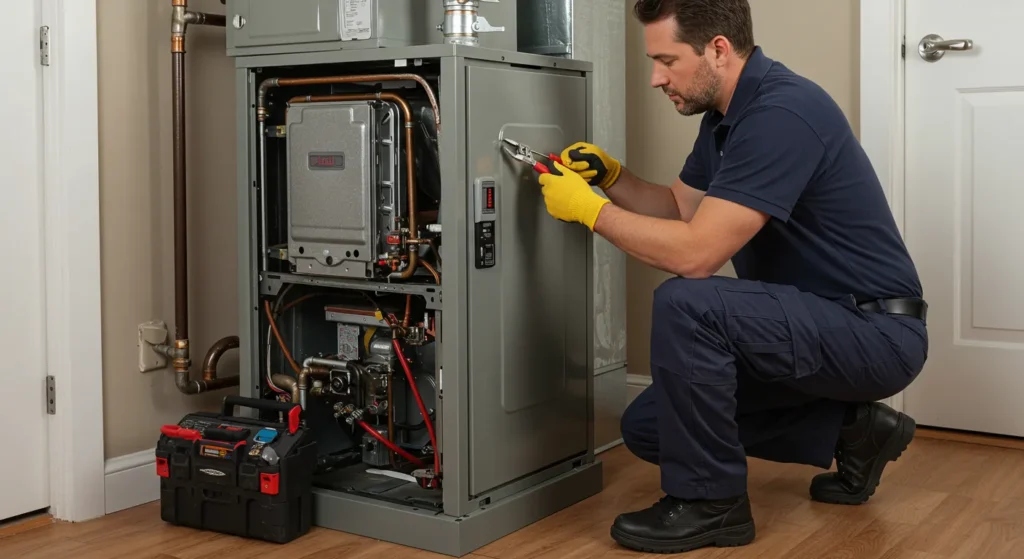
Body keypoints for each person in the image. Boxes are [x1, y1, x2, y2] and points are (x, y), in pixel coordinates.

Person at [534, 0, 929, 554]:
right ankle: (855, 431)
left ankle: (711, 506)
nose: (655, 78)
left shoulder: (783, 114)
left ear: (718, 48)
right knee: (650, 425)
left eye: (667, 61)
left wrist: (589, 212)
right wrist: (612, 178)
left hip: (873, 330)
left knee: (687, 300)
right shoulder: (726, 117)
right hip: (809, 322)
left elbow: (696, 254)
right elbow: (679, 208)